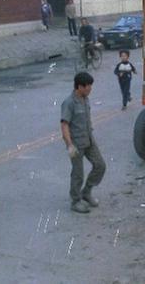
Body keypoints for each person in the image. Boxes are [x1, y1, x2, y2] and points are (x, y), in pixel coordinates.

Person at [60, 72, 106, 213]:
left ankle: (86, 192)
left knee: (100, 166)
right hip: (76, 144)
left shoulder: (85, 99)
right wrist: (69, 145)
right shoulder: (69, 103)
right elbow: (64, 125)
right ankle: (75, 201)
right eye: (88, 87)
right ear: (79, 86)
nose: (90, 89)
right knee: (78, 174)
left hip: (89, 140)